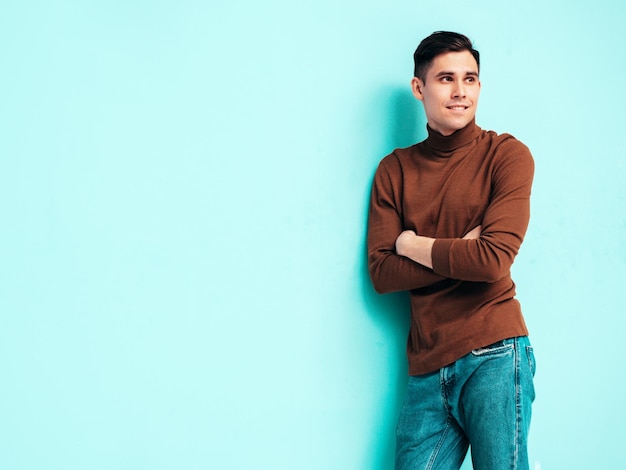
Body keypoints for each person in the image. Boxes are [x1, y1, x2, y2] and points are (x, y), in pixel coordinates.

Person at [367, 31, 536, 469]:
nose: (461, 92)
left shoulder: (506, 156)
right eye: (446, 79)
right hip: (425, 364)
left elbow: (492, 259)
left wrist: (413, 243)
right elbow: (383, 274)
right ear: (419, 88)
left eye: (471, 79)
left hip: (495, 353)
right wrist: (461, 252)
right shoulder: (395, 170)